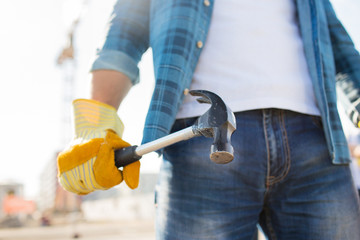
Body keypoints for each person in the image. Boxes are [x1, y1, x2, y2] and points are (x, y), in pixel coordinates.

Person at [57, 0, 360, 239]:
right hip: (198, 140)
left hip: (318, 144)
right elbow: (123, 36)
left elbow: (342, 51)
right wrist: (93, 128)